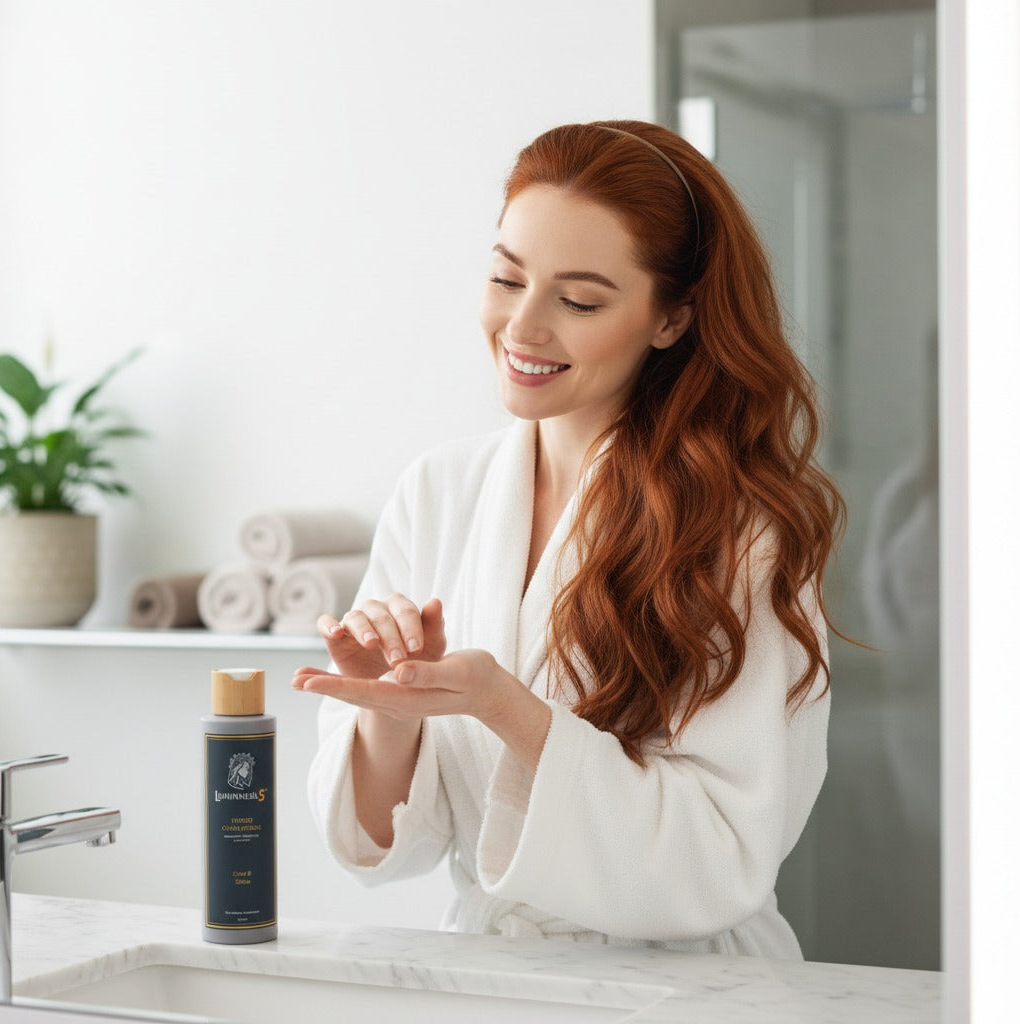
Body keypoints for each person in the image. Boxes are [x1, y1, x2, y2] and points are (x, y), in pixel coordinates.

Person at [292, 119, 845, 958]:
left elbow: (723, 855)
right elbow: (384, 845)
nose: (524, 326)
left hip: (687, 990)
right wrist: (388, 711)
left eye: (579, 300)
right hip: (495, 976)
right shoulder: (441, 491)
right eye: (507, 278)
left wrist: (505, 708)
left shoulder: (741, 527)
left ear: (671, 319)